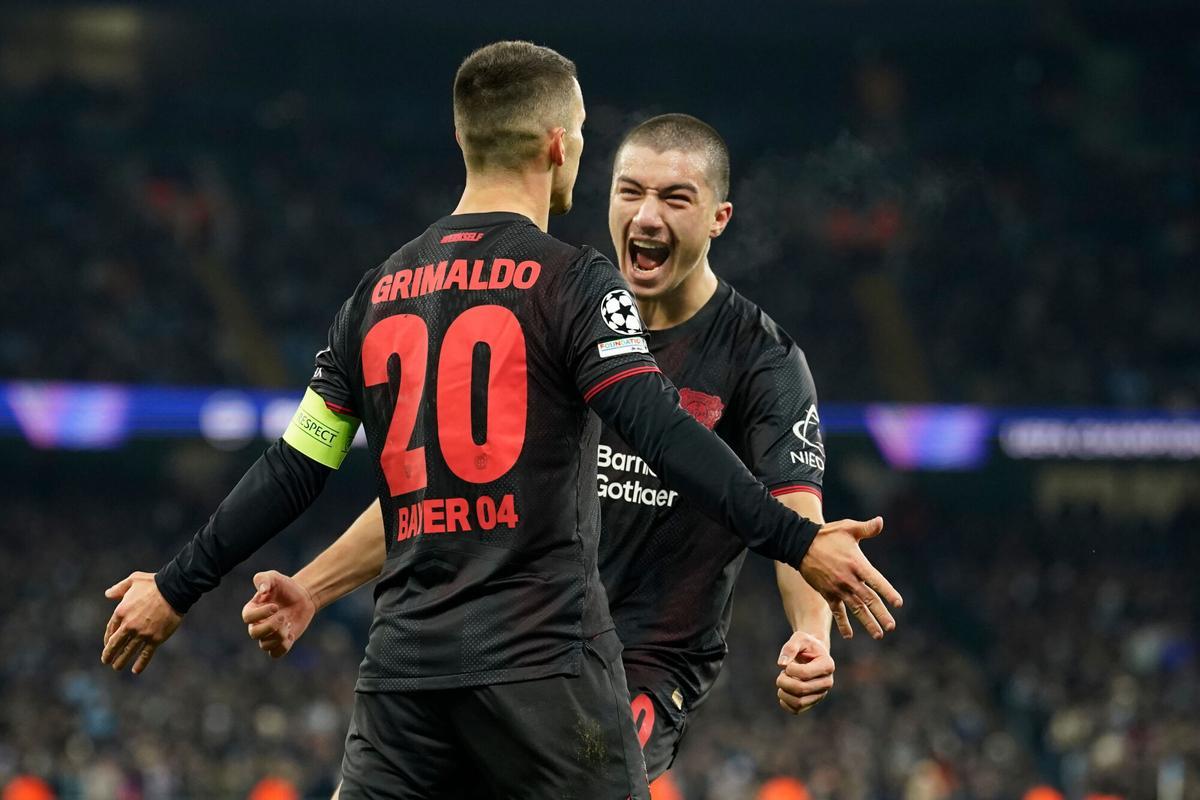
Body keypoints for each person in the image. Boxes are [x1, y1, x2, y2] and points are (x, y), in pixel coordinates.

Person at [102, 42, 901, 799]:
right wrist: (802, 544)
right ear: (562, 147)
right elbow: (659, 433)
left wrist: (178, 586)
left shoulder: (377, 293)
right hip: (549, 665)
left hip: (428, 666)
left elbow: (303, 462)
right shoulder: (572, 290)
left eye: (674, 197)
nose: (645, 214)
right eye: (625, 185)